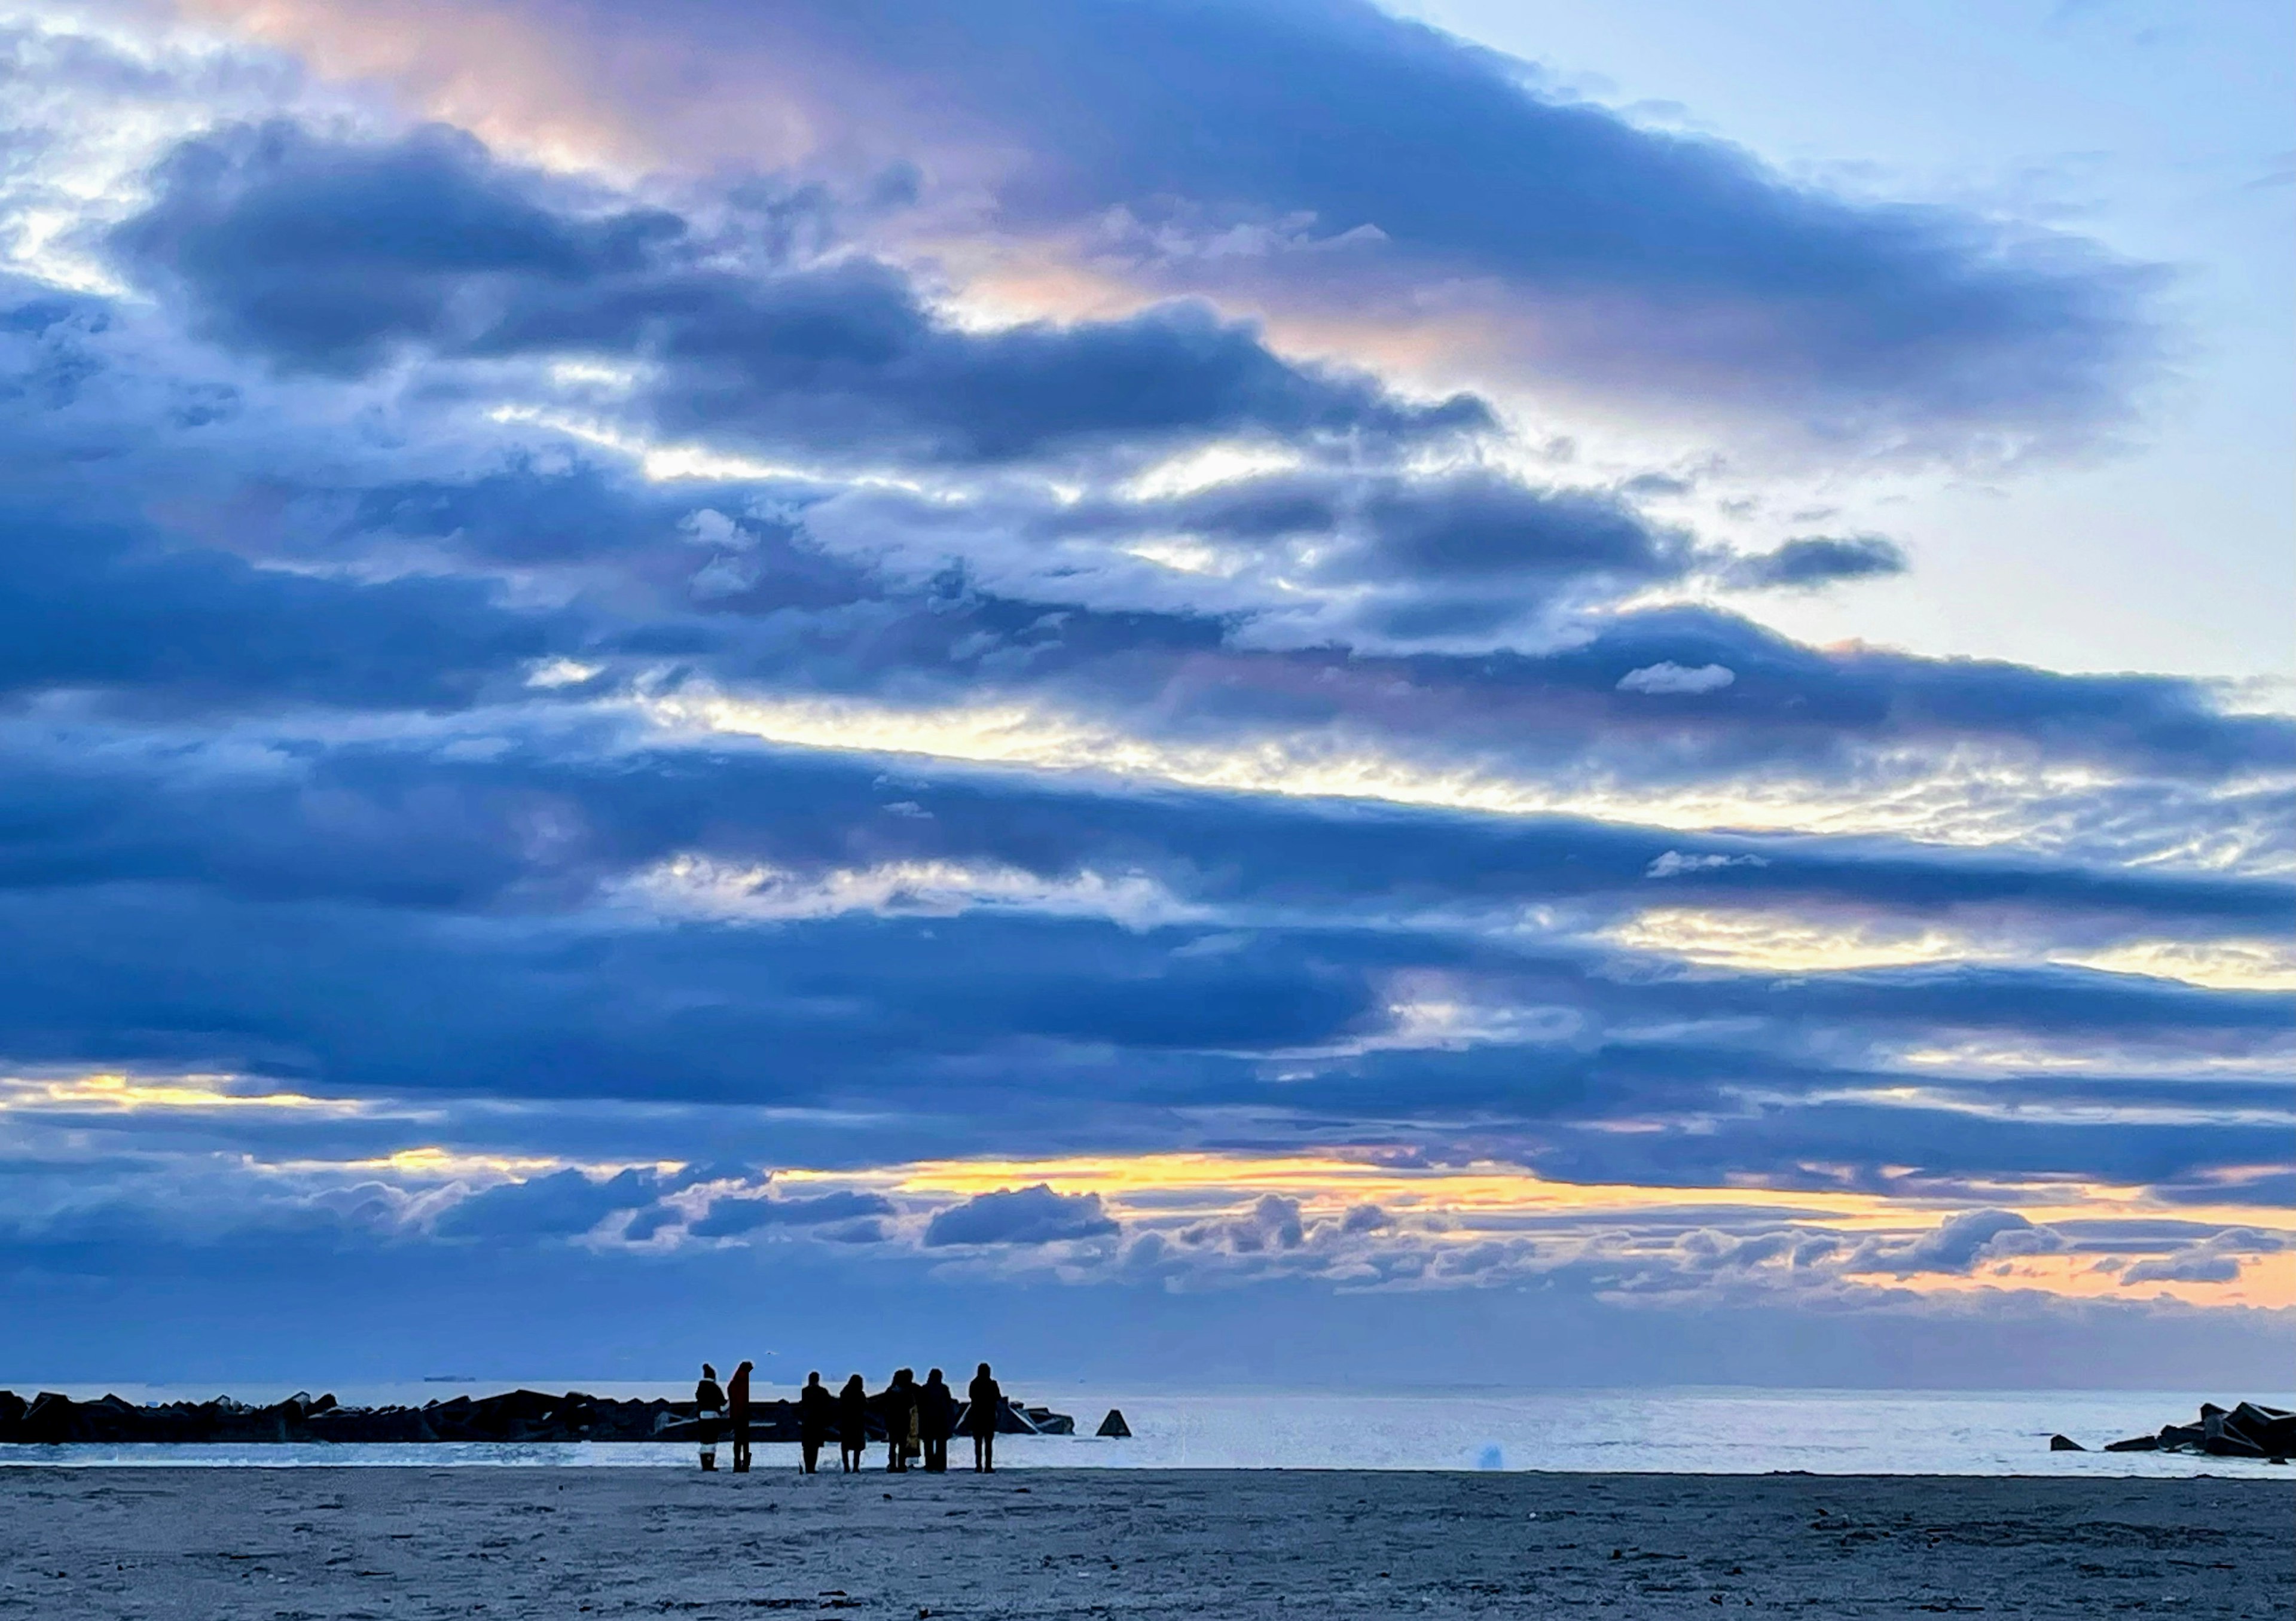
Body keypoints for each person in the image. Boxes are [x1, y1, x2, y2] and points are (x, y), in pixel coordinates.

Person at [966, 1361, 1003, 1473]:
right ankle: (988, 1466)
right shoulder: (992, 1384)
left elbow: (971, 1396)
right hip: (989, 1416)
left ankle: (978, 1466)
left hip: (977, 1416)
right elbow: (998, 1397)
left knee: (978, 1443)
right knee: (988, 1443)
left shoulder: (974, 1383)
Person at [880, 1368, 918, 1473]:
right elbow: (911, 1404)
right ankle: (901, 1465)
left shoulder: (890, 1391)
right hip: (904, 1420)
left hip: (892, 1421)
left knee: (892, 1445)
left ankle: (892, 1465)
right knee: (902, 1445)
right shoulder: (907, 1392)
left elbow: (884, 1404)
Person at [918, 1368, 955, 1473]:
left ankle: (930, 1464)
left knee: (928, 1445)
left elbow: (921, 1406)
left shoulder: (924, 1389)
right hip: (941, 1420)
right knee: (941, 1445)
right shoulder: (944, 1389)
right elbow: (948, 1406)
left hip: (928, 1420)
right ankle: (941, 1465)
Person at [798, 1371, 833, 1475]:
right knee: (815, 1447)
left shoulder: (805, 1391)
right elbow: (829, 1403)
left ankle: (808, 1467)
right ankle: (812, 1467)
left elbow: (803, 1405)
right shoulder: (822, 1392)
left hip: (808, 1422)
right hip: (818, 1422)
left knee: (807, 1447)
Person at [694, 1363, 725, 1473]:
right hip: (713, 1416)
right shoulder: (715, 1388)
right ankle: (710, 1465)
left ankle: (705, 1465)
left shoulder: (700, 1388)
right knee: (712, 1442)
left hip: (702, 1416)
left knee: (704, 1443)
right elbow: (723, 1403)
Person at [836, 1373, 869, 1473]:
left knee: (845, 1446)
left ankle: (846, 1466)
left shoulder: (844, 1393)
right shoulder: (860, 1394)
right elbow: (865, 1406)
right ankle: (856, 1467)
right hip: (858, 1423)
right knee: (857, 1447)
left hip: (846, 1423)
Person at [726, 1360, 753, 1474]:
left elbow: (731, 1391)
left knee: (737, 1442)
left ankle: (737, 1464)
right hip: (743, 1415)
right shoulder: (744, 1379)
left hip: (736, 1414)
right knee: (745, 1442)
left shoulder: (736, 1380)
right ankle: (745, 1465)